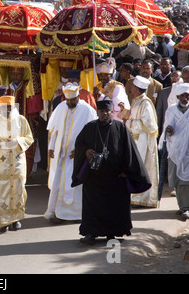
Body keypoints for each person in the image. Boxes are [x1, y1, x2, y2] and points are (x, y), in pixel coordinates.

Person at [72, 100, 151, 245]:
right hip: (94, 177)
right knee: (92, 206)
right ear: (97, 113)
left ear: (111, 113)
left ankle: (112, 234)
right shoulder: (89, 127)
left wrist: (127, 171)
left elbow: (130, 151)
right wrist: (86, 151)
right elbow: (79, 145)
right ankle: (90, 233)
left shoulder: (120, 128)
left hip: (115, 176)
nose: (105, 114)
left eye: (107, 112)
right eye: (102, 111)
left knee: (114, 206)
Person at [45, 83, 97, 223]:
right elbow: (54, 130)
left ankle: (75, 214)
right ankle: (57, 212)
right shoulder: (62, 106)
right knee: (60, 182)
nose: (69, 102)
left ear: (78, 96)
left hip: (77, 156)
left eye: (72, 100)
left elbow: (92, 134)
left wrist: (81, 150)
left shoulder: (87, 110)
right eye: (67, 100)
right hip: (61, 154)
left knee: (74, 183)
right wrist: (51, 147)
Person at [0, 95, 34, 232]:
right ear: (0, 108)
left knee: (18, 189)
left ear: (13, 107)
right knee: (2, 190)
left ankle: (16, 219)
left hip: (17, 161)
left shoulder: (21, 120)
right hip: (0, 163)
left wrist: (18, 141)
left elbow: (29, 138)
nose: (7, 110)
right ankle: (3, 221)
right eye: (4, 108)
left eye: (9, 107)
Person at [126, 76, 159, 208]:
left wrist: (129, 122)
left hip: (143, 141)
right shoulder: (136, 101)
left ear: (137, 88)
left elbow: (150, 125)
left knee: (142, 167)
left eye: (133, 86)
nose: (131, 88)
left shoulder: (146, 103)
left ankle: (144, 198)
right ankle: (135, 196)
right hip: (135, 140)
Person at [162, 83, 189, 220]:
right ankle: (182, 205)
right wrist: (169, 129)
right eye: (183, 96)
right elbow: (168, 125)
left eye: (188, 96)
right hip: (175, 148)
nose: (185, 98)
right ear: (178, 96)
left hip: (188, 149)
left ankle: (186, 207)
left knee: (186, 179)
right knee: (177, 179)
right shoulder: (172, 110)